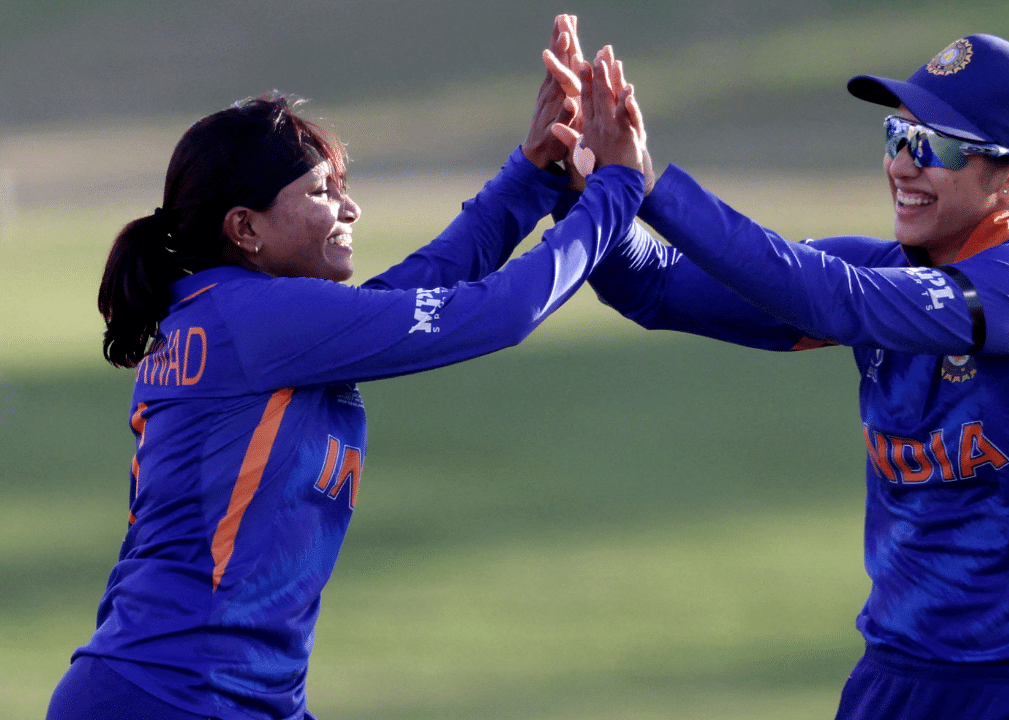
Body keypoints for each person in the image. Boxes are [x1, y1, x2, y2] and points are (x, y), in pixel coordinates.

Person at [47, 15, 648, 720]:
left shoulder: (235, 314)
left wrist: (532, 175)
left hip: (197, 687)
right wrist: (616, 191)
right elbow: (497, 312)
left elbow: (419, 290)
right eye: (323, 190)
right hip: (180, 694)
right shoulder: (257, 322)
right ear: (245, 229)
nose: (351, 207)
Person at [572, 33, 1009, 719]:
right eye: (897, 133)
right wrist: (582, 181)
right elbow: (655, 289)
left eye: (937, 145)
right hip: (898, 677)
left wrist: (654, 188)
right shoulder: (879, 270)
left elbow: (838, 301)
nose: (902, 164)